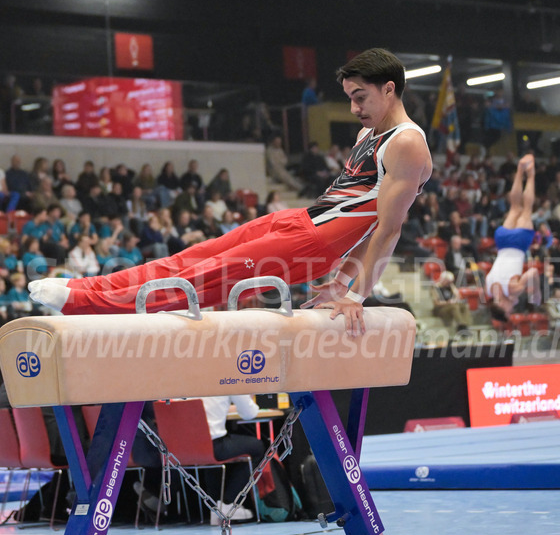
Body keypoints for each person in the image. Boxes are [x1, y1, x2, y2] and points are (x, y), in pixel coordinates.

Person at [29, 48, 433, 336]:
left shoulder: (407, 144)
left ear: (389, 89)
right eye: (349, 99)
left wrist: (355, 295)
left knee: (200, 279)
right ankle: (82, 288)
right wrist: (340, 283)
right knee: (186, 259)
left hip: (311, 244)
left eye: (360, 98)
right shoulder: (367, 135)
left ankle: (83, 305)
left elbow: (387, 229)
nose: (354, 109)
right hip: (297, 221)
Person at [485, 153, 542, 319]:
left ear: (502, 306)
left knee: (527, 209)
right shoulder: (488, 289)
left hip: (518, 244)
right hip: (502, 242)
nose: (513, 307)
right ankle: (519, 170)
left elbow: (533, 272)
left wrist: (536, 292)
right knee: (515, 207)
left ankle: (531, 175)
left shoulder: (513, 290)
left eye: (510, 310)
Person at [202, 394, 261, 523]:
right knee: (257, 447)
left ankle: (215, 508)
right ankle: (229, 503)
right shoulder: (227, 382)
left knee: (210, 456)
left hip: (180, 448)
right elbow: (249, 413)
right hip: (214, 445)